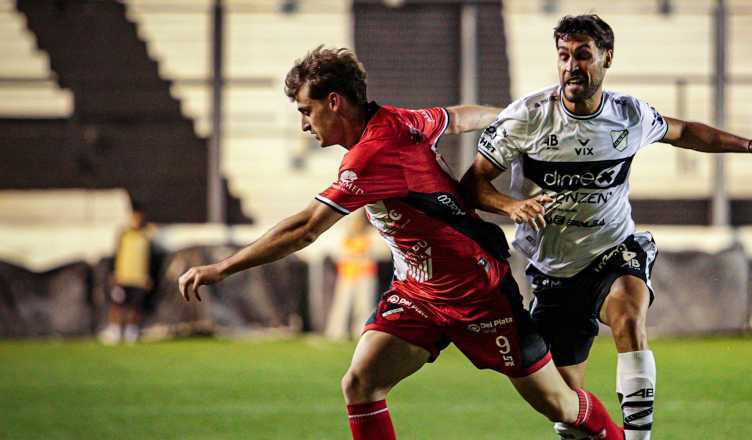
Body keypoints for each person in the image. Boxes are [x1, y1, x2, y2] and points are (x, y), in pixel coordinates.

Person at [177, 46, 624, 440]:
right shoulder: (400, 119)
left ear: (334, 102)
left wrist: (223, 268)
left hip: (477, 294)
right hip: (417, 295)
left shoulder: (371, 155)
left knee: (562, 406)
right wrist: (512, 114)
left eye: (305, 111)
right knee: (361, 382)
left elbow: (306, 229)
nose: (304, 125)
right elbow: (458, 115)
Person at [459, 15, 752, 440]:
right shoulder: (529, 116)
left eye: (583, 55)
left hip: (613, 248)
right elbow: (471, 183)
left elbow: (684, 130)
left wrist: (749, 145)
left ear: (606, 58)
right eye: (564, 56)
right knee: (565, 407)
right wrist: (512, 205)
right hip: (553, 270)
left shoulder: (628, 115)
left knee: (628, 316)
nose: (571, 66)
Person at [100, 200, 156, 344]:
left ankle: (132, 331)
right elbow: (116, 255)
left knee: (135, 306)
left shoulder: (146, 236)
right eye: (134, 217)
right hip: (123, 277)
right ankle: (115, 330)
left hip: (139, 278)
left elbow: (150, 258)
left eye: (139, 217)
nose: (136, 220)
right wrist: (114, 273)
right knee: (117, 305)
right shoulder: (123, 234)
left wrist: (148, 276)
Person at [325, 211, 378, 340]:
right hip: (348, 274)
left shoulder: (370, 236)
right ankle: (336, 332)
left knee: (364, 305)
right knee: (342, 304)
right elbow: (341, 255)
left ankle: (361, 331)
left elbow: (374, 255)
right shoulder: (347, 238)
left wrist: (358, 257)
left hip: (365, 274)